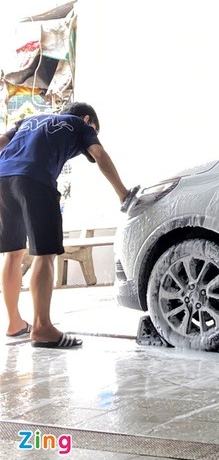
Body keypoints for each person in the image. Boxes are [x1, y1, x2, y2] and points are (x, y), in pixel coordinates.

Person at [0, 102, 130, 348]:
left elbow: (1, 143)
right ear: (87, 119)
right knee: (45, 254)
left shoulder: (30, 120)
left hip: (2, 178)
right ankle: (42, 328)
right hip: (35, 179)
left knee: (13, 253)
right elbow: (99, 155)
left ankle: (14, 323)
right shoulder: (80, 124)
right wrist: (122, 193)